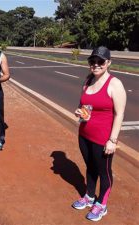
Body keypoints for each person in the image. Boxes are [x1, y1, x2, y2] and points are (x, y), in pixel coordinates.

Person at [72, 46, 127, 221]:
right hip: (84, 134)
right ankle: (89, 196)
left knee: (104, 171)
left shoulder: (114, 84)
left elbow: (119, 114)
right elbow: (84, 106)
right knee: (90, 168)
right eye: (93, 61)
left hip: (103, 138)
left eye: (100, 61)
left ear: (108, 63)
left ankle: (101, 205)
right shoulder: (88, 80)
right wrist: (79, 112)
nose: (96, 65)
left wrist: (113, 140)